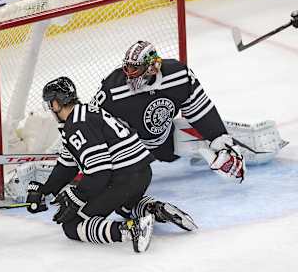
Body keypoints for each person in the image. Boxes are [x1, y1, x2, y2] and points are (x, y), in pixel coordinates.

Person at [25, 76, 196, 253]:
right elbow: (67, 164)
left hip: (122, 179)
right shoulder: (85, 114)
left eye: (50, 103)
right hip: (142, 173)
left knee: (72, 225)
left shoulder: (77, 125)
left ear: (56, 103)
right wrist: (44, 191)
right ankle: (155, 209)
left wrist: (76, 197)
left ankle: (130, 229)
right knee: (123, 206)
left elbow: (100, 172)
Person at [90, 40, 250, 181]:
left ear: (152, 68)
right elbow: (89, 123)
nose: (129, 75)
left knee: (218, 142)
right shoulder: (112, 88)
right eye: (128, 67)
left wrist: (221, 142)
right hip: (132, 150)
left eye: (135, 69)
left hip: (167, 141)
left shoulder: (178, 75)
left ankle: (246, 150)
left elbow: (201, 110)